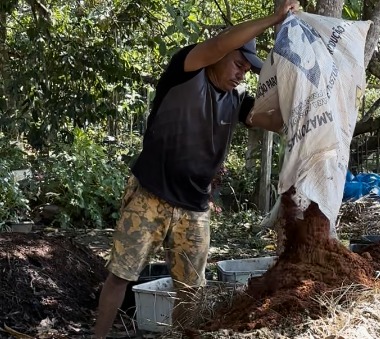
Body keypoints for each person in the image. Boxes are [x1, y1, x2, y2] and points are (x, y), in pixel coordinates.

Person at [93, 1, 300, 338]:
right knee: (122, 274)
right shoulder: (186, 70)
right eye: (238, 64)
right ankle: (98, 336)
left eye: (247, 71)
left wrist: (302, 98)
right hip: (151, 195)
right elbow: (220, 43)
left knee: (192, 290)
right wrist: (275, 18)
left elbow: (275, 121)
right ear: (221, 54)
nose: (240, 74)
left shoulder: (237, 101)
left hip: (194, 209)